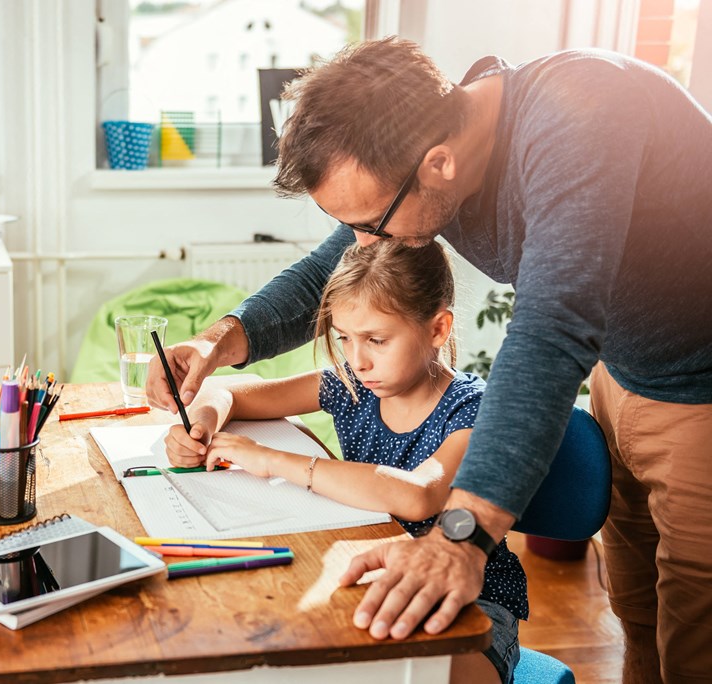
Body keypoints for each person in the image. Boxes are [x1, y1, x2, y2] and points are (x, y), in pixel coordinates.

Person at [147, 37, 712, 683]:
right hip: (627, 370)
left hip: (701, 387)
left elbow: (553, 327)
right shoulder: (430, 148)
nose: (363, 242)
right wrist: (220, 340)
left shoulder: (581, 113)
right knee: (637, 612)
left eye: (372, 225)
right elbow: (327, 271)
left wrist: (464, 536)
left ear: (438, 163)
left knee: (698, 631)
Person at [166, 240, 526, 683]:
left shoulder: (470, 408)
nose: (358, 359)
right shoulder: (353, 384)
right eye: (344, 339)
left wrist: (274, 460)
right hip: (366, 576)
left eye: (376, 339)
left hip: (473, 605)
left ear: (438, 329)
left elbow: (419, 495)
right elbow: (235, 393)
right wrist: (203, 419)